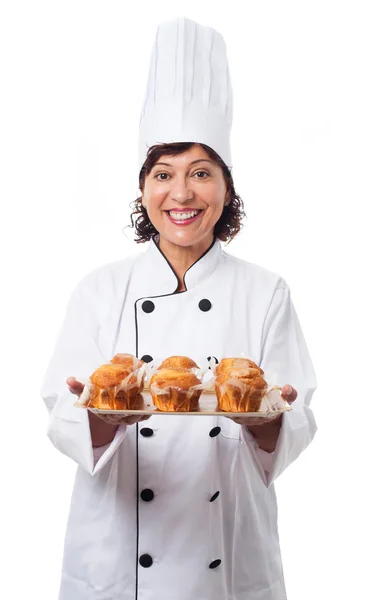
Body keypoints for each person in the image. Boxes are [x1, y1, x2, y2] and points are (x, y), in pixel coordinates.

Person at [42, 17, 317, 600]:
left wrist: (269, 420)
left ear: (226, 187)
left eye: (201, 173)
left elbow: (298, 419)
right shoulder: (100, 289)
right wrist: (98, 417)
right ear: (144, 189)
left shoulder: (266, 292)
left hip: (230, 562)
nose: (182, 194)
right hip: (117, 562)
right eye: (163, 174)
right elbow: (59, 413)